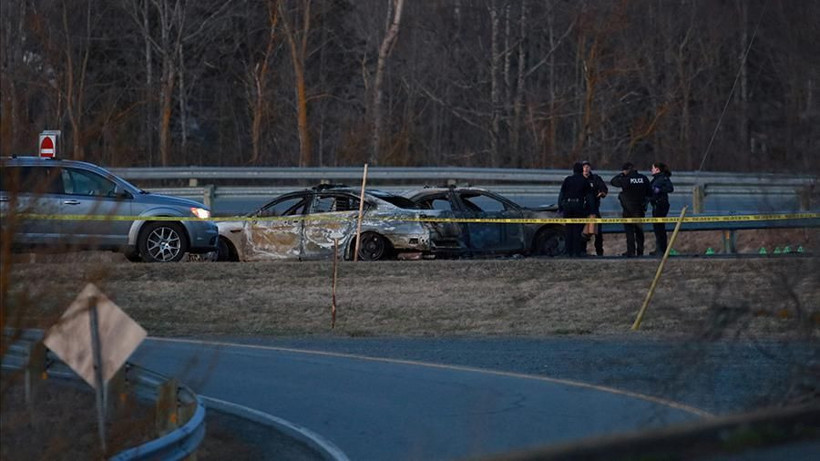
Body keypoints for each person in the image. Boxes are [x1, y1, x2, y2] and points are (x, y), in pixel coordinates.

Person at [610, 162, 651, 257]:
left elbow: (613, 181)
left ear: (626, 170)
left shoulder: (626, 179)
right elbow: (649, 192)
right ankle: (640, 252)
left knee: (629, 231)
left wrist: (621, 175)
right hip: (640, 209)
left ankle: (631, 251)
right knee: (639, 231)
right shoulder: (643, 178)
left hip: (628, 209)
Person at [558, 162, 593, 257]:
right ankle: (576, 252)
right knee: (577, 230)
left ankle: (568, 251)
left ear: (573, 170)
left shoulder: (567, 180)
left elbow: (561, 194)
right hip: (578, 207)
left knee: (568, 230)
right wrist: (590, 210)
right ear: (581, 170)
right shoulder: (584, 181)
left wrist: (560, 207)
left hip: (567, 206)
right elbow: (589, 197)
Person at [580, 160, 608, 256]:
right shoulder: (579, 179)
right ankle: (582, 251)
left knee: (598, 232)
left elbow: (604, 189)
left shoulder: (595, 178)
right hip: (582, 210)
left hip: (594, 209)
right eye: (584, 167)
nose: (586, 168)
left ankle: (599, 252)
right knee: (582, 232)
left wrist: (602, 193)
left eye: (588, 166)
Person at [649, 162, 674, 255]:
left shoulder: (663, 178)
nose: (651, 170)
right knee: (657, 228)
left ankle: (662, 249)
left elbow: (670, 188)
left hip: (661, 205)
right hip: (656, 205)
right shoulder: (655, 179)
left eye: (652, 168)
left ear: (657, 169)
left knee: (660, 228)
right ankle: (659, 248)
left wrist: (659, 190)